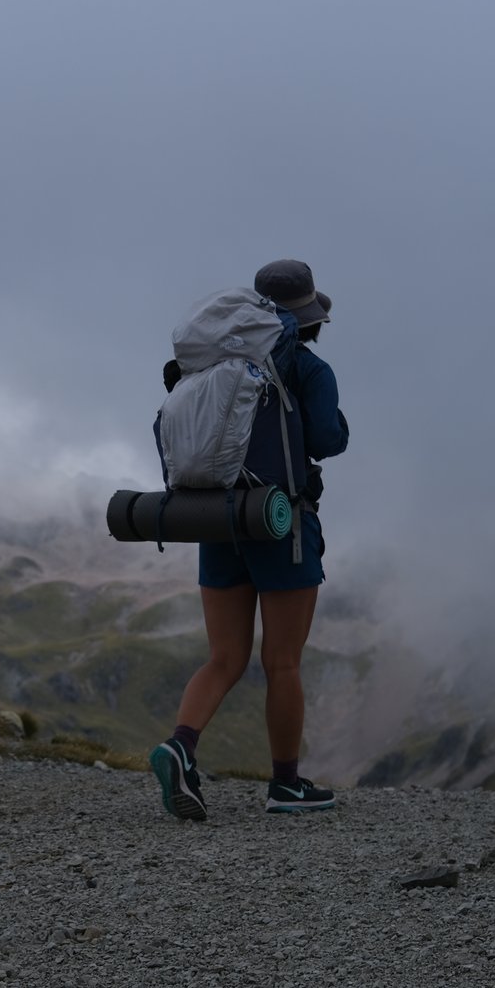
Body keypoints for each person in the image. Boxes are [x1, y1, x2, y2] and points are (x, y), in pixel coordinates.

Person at [150, 259, 349, 820]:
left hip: (215, 516)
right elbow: (328, 439)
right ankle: (285, 785)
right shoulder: (309, 369)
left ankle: (179, 746)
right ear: (309, 317)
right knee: (282, 661)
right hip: (281, 519)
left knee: (224, 657)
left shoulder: (203, 367)